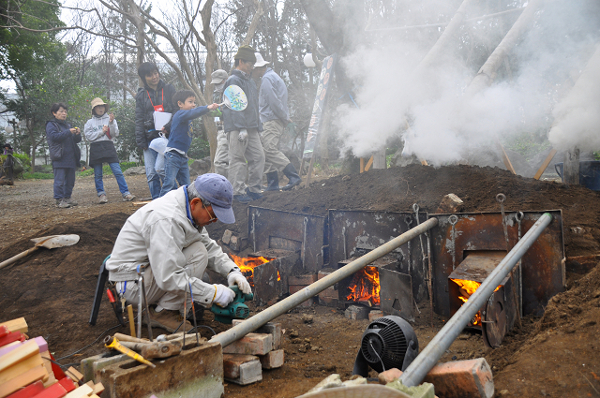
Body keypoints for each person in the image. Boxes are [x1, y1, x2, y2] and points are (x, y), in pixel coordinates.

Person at [106, 173, 252, 332]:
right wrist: (213, 293)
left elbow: (208, 246)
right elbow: (169, 276)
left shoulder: (186, 209)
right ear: (196, 203)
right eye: (213, 215)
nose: (215, 221)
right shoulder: (166, 220)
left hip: (146, 272)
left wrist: (232, 271)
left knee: (200, 253)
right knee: (198, 256)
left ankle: (163, 306)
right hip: (131, 284)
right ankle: (164, 313)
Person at [222, 45, 265, 203]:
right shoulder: (233, 80)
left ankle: (254, 188)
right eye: (250, 64)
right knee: (238, 159)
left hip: (252, 128)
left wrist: (258, 127)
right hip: (237, 128)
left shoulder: (250, 81)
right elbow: (234, 108)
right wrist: (241, 128)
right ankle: (237, 192)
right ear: (241, 61)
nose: (252, 67)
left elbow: (254, 107)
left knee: (259, 157)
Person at [254, 53, 301, 191]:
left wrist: (285, 117)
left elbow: (273, 102)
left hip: (271, 120)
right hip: (273, 119)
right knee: (266, 150)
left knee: (269, 150)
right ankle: (273, 184)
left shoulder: (267, 79)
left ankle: (293, 177)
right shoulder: (273, 76)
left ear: (259, 68)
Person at [157, 90, 219, 197]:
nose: (193, 105)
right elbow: (193, 113)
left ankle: (187, 207)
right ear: (180, 104)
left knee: (186, 186)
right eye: (190, 102)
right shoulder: (180, 114)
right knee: (169, 184)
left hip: (182, 156)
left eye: (194, 102)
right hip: (173, 155)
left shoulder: (187, 118)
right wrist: (207, 107)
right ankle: (158, 208)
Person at [135, 62, 177, 199]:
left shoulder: (169, 89)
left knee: (162, 169)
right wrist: (140, 140)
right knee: (151, 174)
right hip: (149, 137)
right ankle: (156, 202)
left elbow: (177, 110)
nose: (154, 77)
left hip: (167, 136)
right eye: (149, 75)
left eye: (155, 73)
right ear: (143, 77)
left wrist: (170, 126)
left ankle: (172, 198)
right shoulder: (141, 95)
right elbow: (139, 118)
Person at [84, 98, 136, 204]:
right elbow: (89, 137)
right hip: (96, 147)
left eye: (102, 106)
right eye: (98, 107)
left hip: (108, 146)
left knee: (117, 171)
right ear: (94, 109)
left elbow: (114, 134)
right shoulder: (89, 122)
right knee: (98, 174)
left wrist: (111, 123)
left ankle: (125, 193)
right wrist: (101, 132)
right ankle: (101, 194)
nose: (101, 108)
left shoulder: (110, 119)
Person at [45, 103, 82, 208]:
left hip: (71, 157)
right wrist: (68, 132)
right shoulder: (51, 125)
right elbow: (54, 137)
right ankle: (59, 200)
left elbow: (76, 141)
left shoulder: (68, 125)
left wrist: (77, 134)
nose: (64, 113)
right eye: (61, 111)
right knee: (59, 181)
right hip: (59, 157)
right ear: (54, 113)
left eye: (65, 111)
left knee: (70, 181)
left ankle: (67, 198)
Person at [211, 69, 229, 178]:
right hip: (222, 128)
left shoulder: (231, 94)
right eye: (215, 84)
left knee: (219, 162)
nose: (217, 86)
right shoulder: (221, 94)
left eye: (219, 83)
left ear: (226, 80)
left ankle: (224, 185)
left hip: (227, 130)